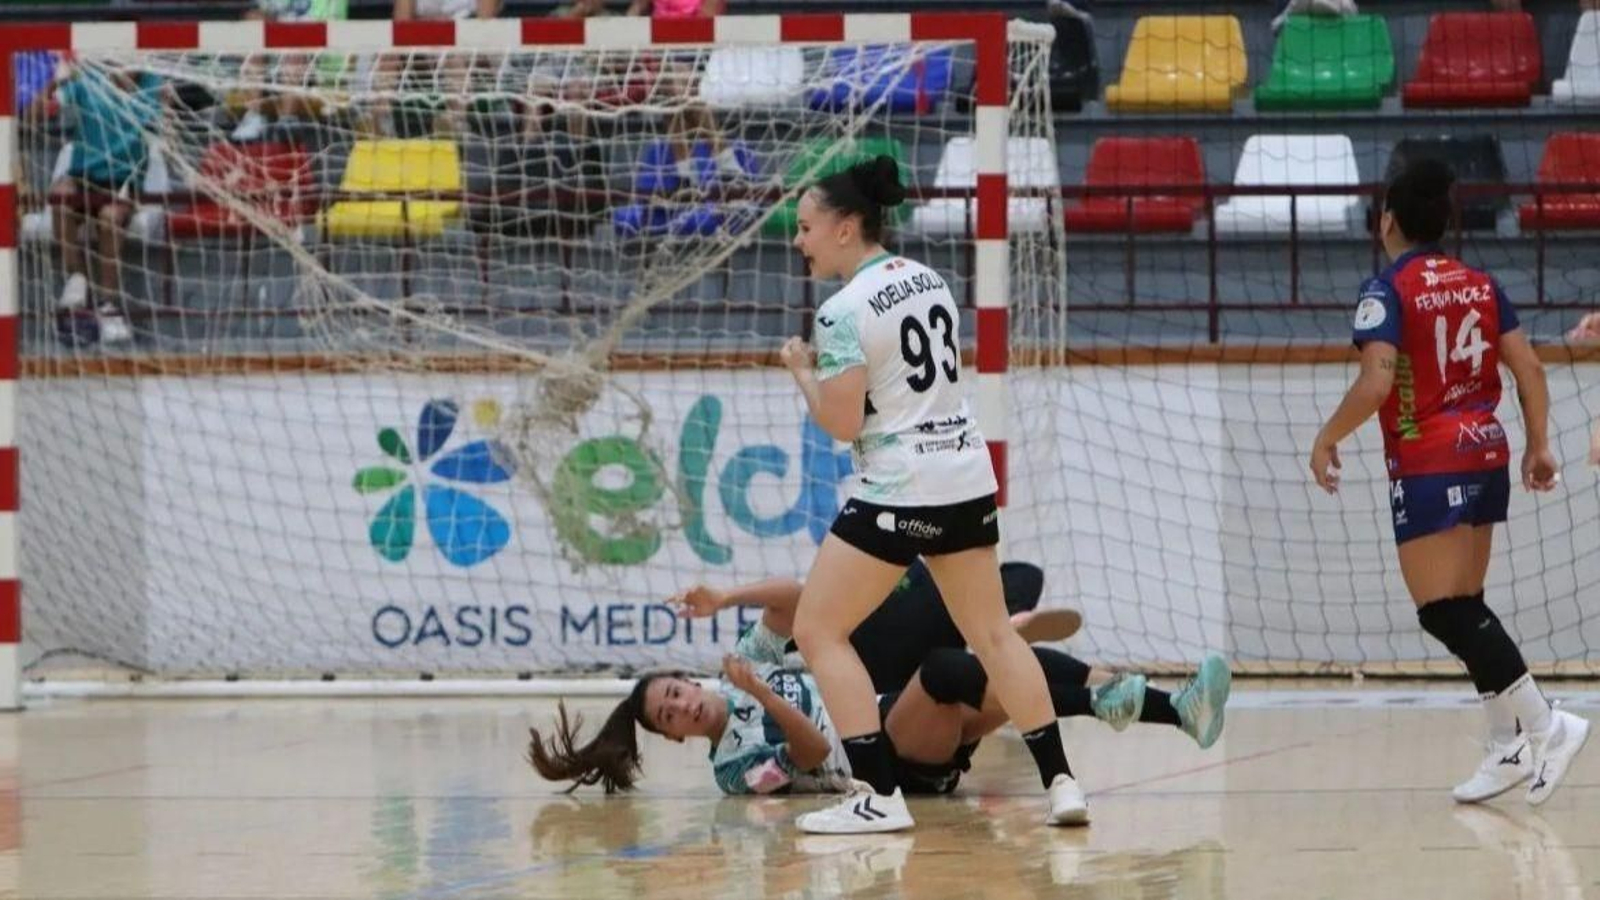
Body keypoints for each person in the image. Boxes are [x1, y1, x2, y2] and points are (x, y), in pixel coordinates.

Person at [777, 155, 1090, 832]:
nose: (797, 240)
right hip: (965, 478)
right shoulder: (928, 279)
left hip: (899, 487)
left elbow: (839, 422)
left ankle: (877, 795)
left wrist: (802, 372)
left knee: (816, 629)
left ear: (844, 226)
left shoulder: (840, 312)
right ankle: (1063, 782)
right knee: (993, 637)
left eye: (805, 227)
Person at [1310, 158, 1590, 806]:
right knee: (1468, 602)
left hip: (1430, 459)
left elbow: (1378, 380)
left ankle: (1548, 724)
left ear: (1387, 220)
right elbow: (1530, 370)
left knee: (1444, 610)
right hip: (1486, 448)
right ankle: (1506, 744)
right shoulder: (1481, 283)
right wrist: (1540, 446)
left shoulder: (1386, 289)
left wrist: (1327, 436)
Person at [527, 570, 1232, 797]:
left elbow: (797, 599)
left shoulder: (741, 664)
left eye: (673, 692)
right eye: (670, 715)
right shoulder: (733, 770)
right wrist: (769, 697)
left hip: (897, 712)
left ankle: (1173, 709)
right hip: (884, 767)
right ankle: (1007, 636)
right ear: (677, 737)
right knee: (955, 669)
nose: (681, 705)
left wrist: (727, 599)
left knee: (993, 664)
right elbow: (807, 755)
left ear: (685, 678)